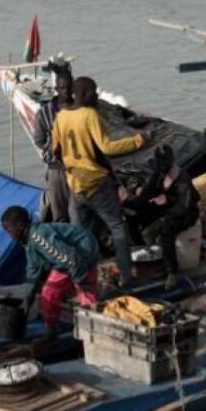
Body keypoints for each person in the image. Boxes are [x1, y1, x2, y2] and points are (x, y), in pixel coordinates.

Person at [53, 75, 145, 287]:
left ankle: (81, 278)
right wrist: (139, 140)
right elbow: (107, 147)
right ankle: (126, 276)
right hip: (97, 182)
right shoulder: (90, 114)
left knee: (80, 233)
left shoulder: (61, 116)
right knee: (117, 227)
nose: (96, 96)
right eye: (93, 92)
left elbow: (55, 150)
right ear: (85, 94)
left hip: (76, 184)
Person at [0, 206, 99, 339]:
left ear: (20, 225)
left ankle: (94, 331)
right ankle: (51, 331)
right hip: (66, 261)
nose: (9, 235)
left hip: (84, 251)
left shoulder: (40, 238)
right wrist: (27, 300)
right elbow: (33, 270)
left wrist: (80, 280)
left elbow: (72, 259)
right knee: (48, 292)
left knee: (85, 292)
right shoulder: (28, 242)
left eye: (9, 230)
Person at [122, 145, 201, 290]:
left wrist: (168, 201)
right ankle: (143, 252)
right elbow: (147, 194)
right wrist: (128, 204)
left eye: (165, 162)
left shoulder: (182, 179)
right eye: (160, 162)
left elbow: (183, 206)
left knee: (166, 228)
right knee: (132, 215)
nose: (162, 166)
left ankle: (172, 271)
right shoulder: (159, 174)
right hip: (166, 206)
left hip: (186, 212)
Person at [32, 62, 74, 223]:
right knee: (60, 212)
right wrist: (52, 149)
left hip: (79, 167)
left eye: (69, 87)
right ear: (56, 89)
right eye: (63, 88)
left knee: (79, 212)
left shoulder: (80, 109)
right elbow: (39, 140)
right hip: (56, 169)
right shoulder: (44, 112)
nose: (66, 91)